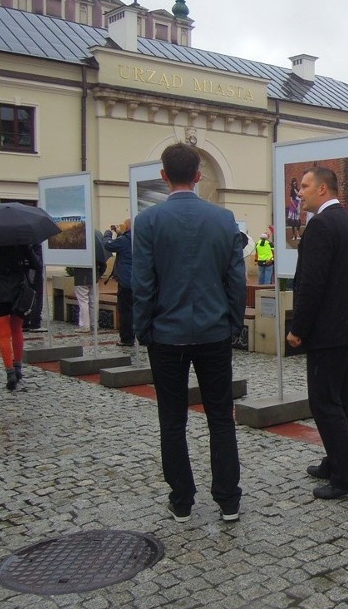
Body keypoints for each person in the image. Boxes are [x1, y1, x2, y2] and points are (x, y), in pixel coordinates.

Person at [133, 142, 246, 523]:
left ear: (164, 176)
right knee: (220, 417)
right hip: (214, 332)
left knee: (172, 420)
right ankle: (228, 500)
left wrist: (143, 327)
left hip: (166, 334)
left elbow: (144, 282)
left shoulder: (148, 222)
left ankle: (182, 500)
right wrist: (232, 321)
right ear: (199, 176)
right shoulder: (223, 219)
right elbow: (236, 279)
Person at [286, 166, 348, 500]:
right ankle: (337, 460)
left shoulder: (321, 225)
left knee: (324, 402)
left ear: (323, 190)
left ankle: (347, 476)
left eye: (305, 186)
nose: (300, 192)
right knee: (343, 399)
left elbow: (312, 282)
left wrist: (298, 328)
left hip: (329, 331)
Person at [0, 244, 41, 390]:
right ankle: (18, 368)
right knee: (17, 330)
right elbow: (37, 264)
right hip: (18, 290)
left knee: (3, 334)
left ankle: (10, 373)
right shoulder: (20, 240)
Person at [103, 218, 134, 346]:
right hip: (140, 280)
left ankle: (127, 338)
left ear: (127, 227)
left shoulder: (125, 240)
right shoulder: (139, 237)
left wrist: (108, 233)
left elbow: (108, 245)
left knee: (125, 311)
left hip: (126, 281)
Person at [72, 231, 109, 333]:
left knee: (83, 301)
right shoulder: (97, 250)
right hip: (94, 277)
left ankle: (85, 325)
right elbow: (103, 265)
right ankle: (94, 324)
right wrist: (98, 275)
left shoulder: (78, 248)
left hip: (80, 278)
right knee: (94, 301)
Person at [22, 243, 46, 333]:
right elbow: (38, 263)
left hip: (25, 274)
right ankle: (34, 323)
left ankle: (25, 322)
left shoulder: (19, 241)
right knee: (36, 297)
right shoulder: (34, 243)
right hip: (34, 274)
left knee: (26, 297)